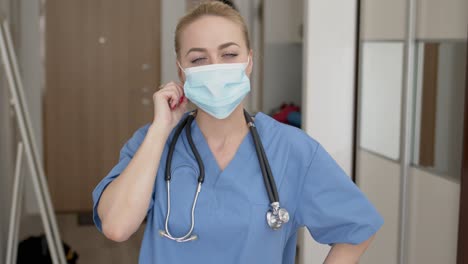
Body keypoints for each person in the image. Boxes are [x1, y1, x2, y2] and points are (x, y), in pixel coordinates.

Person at [92, 2, 383, 263]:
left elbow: (356, 228)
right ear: (181, 71)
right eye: (198, 59)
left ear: (249, 62)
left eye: (229, 54)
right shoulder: (152, 144)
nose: (215, 67)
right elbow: (117, 227)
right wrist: (160, 130)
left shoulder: (291, 148)